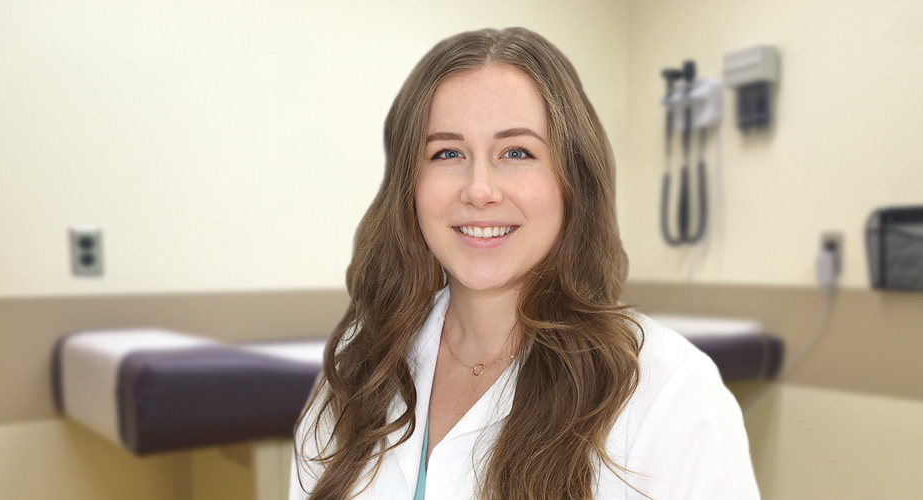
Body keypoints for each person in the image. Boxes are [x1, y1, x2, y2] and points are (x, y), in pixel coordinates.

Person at [291, 27, 759, 500]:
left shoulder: (668, 392)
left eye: (517, 152)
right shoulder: (358, 370)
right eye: (447, 152)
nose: (479, 190)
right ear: (410, 186)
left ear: (571, 180)